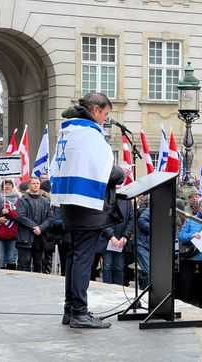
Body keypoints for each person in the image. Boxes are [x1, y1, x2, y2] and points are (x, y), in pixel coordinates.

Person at [50, 92, 125, 329]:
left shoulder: (69, 131)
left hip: (71, 205)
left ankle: (70, 310)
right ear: (95, 110)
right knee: (83, 259)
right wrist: (121, 172)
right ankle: (79, 312)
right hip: (87, 207)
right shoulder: (89, 134)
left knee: (74, 256)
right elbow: (104, 171)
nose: (105, 119)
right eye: (105, 114)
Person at [15, 177, 53, 272]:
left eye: (37, 183)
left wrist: (41, 228)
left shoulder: (45, 201)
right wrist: (34, 227)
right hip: (25, 239)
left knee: (39, 268)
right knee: (24, 267)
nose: (36, 185)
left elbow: (50, 218)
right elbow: (20, 216)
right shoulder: (23, 200)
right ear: (29, 185)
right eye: (33, 183)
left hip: (40, 239)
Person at [99, 195, 134, 286]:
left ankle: (118, 291)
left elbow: (131, 219)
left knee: (119, 268)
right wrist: (111, 236)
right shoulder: (106, 197)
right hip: (107, 239)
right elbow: (102, 219)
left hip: (121, 241)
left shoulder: (127, 200)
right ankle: (106, 291)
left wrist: (125, 236)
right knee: (107, 266)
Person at [0, 179, 20, 270]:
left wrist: (9, 212)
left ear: (13, 186)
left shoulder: (18, 200)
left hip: (13, 233)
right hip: (0, 233)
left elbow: (18, 216)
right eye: (5, 184)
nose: (7, 186)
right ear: (2, 187)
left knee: (12, 258)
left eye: (9, 184)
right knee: (1, 258)